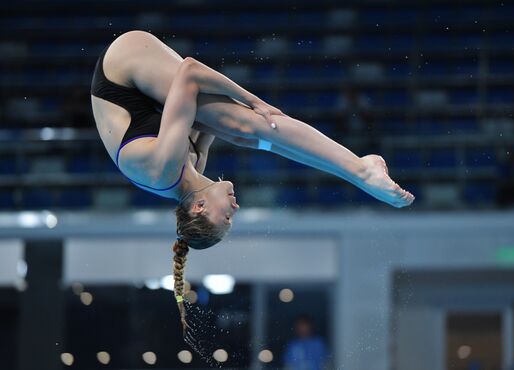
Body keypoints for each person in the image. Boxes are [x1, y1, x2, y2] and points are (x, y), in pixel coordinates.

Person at [90, 30, 415, 335]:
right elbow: (215, 122)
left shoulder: (162, 170)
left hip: (122, 69)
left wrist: (254, 100)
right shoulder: (192, 169)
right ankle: (358, 169)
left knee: (245, 124)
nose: (237, 206)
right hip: (143, 104)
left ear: (200, 207)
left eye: (227, 216)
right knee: (241, 133)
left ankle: (361, 171)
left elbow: (190, 71)